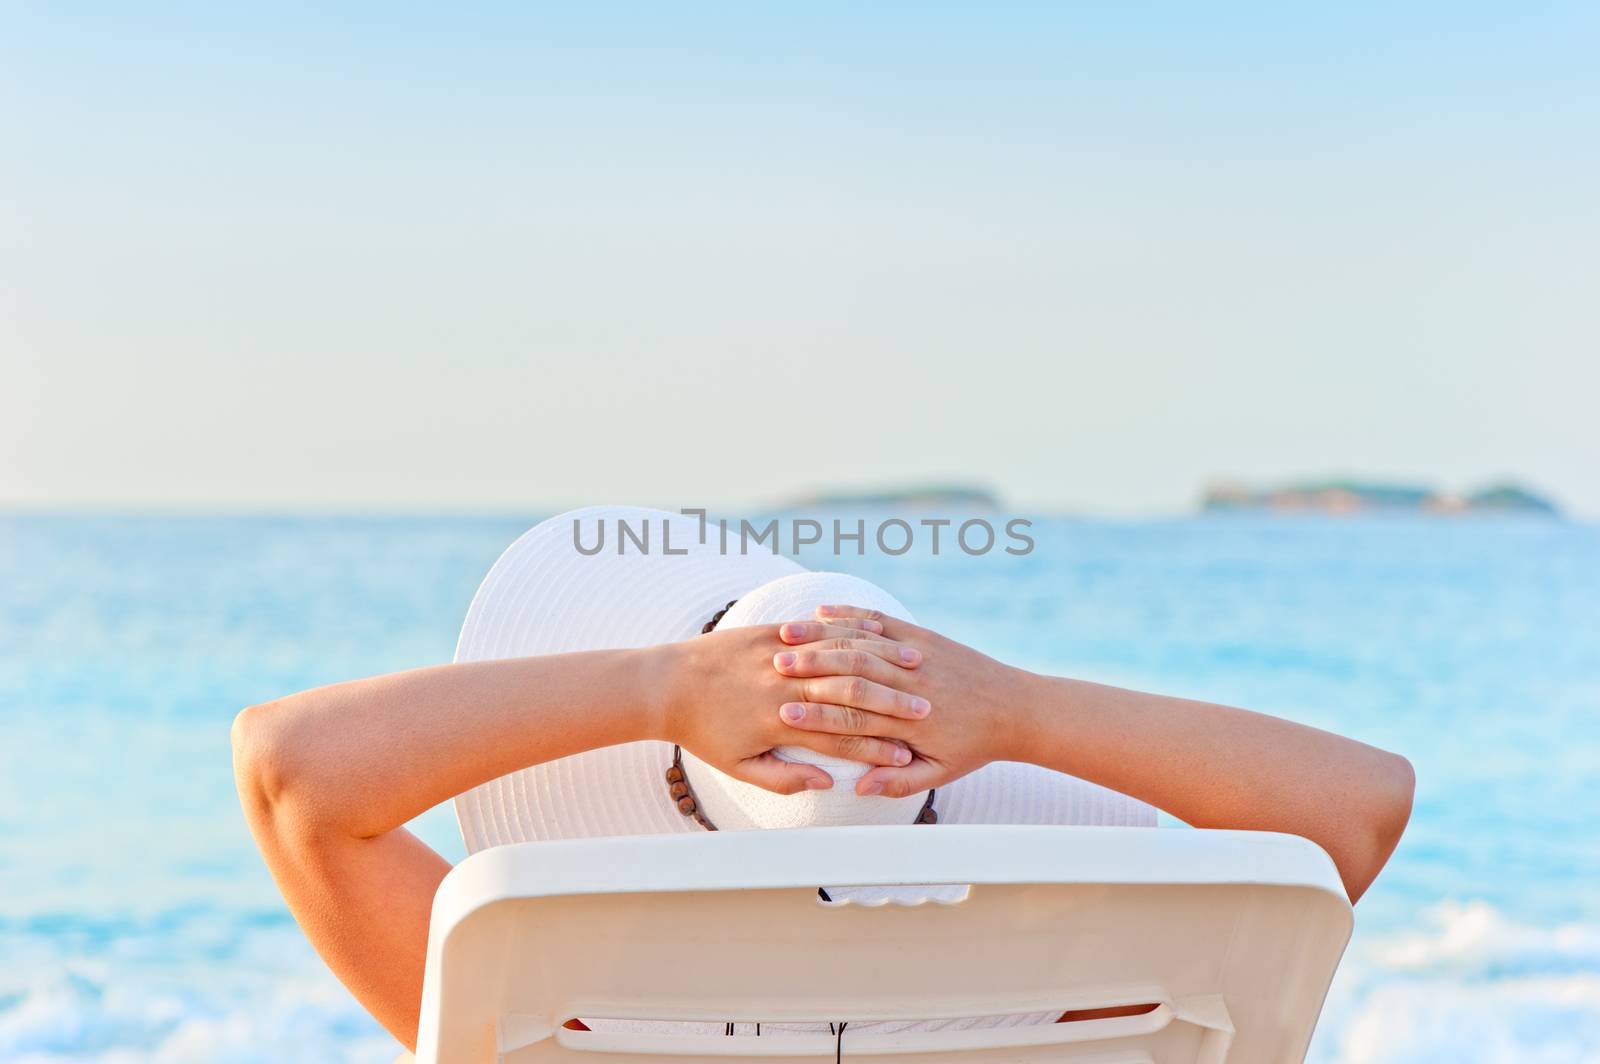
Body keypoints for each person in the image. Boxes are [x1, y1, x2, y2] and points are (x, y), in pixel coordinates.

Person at [231, 506, 1414, 1053]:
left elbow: (292, 775)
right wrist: (1019, 710)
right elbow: (1356, 805)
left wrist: (660, 684)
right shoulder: (1078, 1011)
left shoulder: (566, 1013)